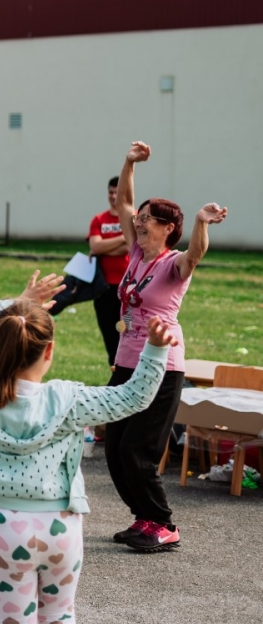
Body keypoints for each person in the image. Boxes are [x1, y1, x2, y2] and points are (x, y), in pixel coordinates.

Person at [0, 267, 177, 624]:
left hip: (1, 530)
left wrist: (19, 303)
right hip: (61, 528)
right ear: (48, 351)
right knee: (61, 619)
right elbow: (134, 397)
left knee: (12, 623)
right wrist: (155, 352)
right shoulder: (67, 399)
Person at [106, 141, 228, 552]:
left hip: (161, 364)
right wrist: (128, 163)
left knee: (137, 448)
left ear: (167, 227)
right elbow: (123, 202)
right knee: (115, 446)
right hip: (126, 361)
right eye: (139, 219)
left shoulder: (173, 264)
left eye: (147, 220)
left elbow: (195, 254)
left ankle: (163, 523)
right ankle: (143, 517)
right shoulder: (137, 254)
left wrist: (200, 222)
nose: (138, 223)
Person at [86, 176, 131, 366]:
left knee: (128, 335)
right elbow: (96, 246)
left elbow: (132, 247)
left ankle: (127, 373)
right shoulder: (99, 219)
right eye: (111, 192)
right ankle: (115, 375)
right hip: (103, 289)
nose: (113, 196)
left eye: (117, 192)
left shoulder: (134, 217)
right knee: (110, 338)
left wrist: (105, 247)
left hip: (129, 289)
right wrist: (124, 236)